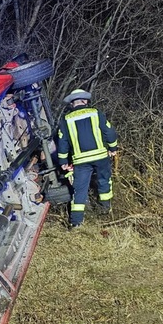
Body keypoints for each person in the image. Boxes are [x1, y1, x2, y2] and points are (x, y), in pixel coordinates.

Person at [57, 89, 118, 228]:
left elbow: (62, 142)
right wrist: (113, 148)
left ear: (72, 103)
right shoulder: (95, 113)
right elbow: (109, 131)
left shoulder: (66, 120)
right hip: (101, 157)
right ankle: (105, 210)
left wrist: (63, 162)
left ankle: (76, 222)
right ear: (85, 101)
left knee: (80, 190)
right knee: (104, 182)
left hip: (80, 161)